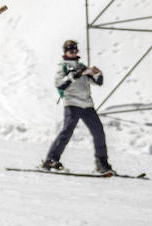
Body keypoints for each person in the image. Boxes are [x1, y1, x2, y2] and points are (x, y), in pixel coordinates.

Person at [42, 40, 114, 175]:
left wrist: (97, 73)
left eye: (75, 51)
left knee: (98, 132)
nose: (74, 53)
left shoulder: (81, 66)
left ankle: (102, 164)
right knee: (67, 131)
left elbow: (98, 82)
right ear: (65, 52)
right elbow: (60, 84)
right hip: (72, 104)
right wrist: (74, 75)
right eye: (71, 51)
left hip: (87, 105)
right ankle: (50, 160)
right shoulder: (63, 66)